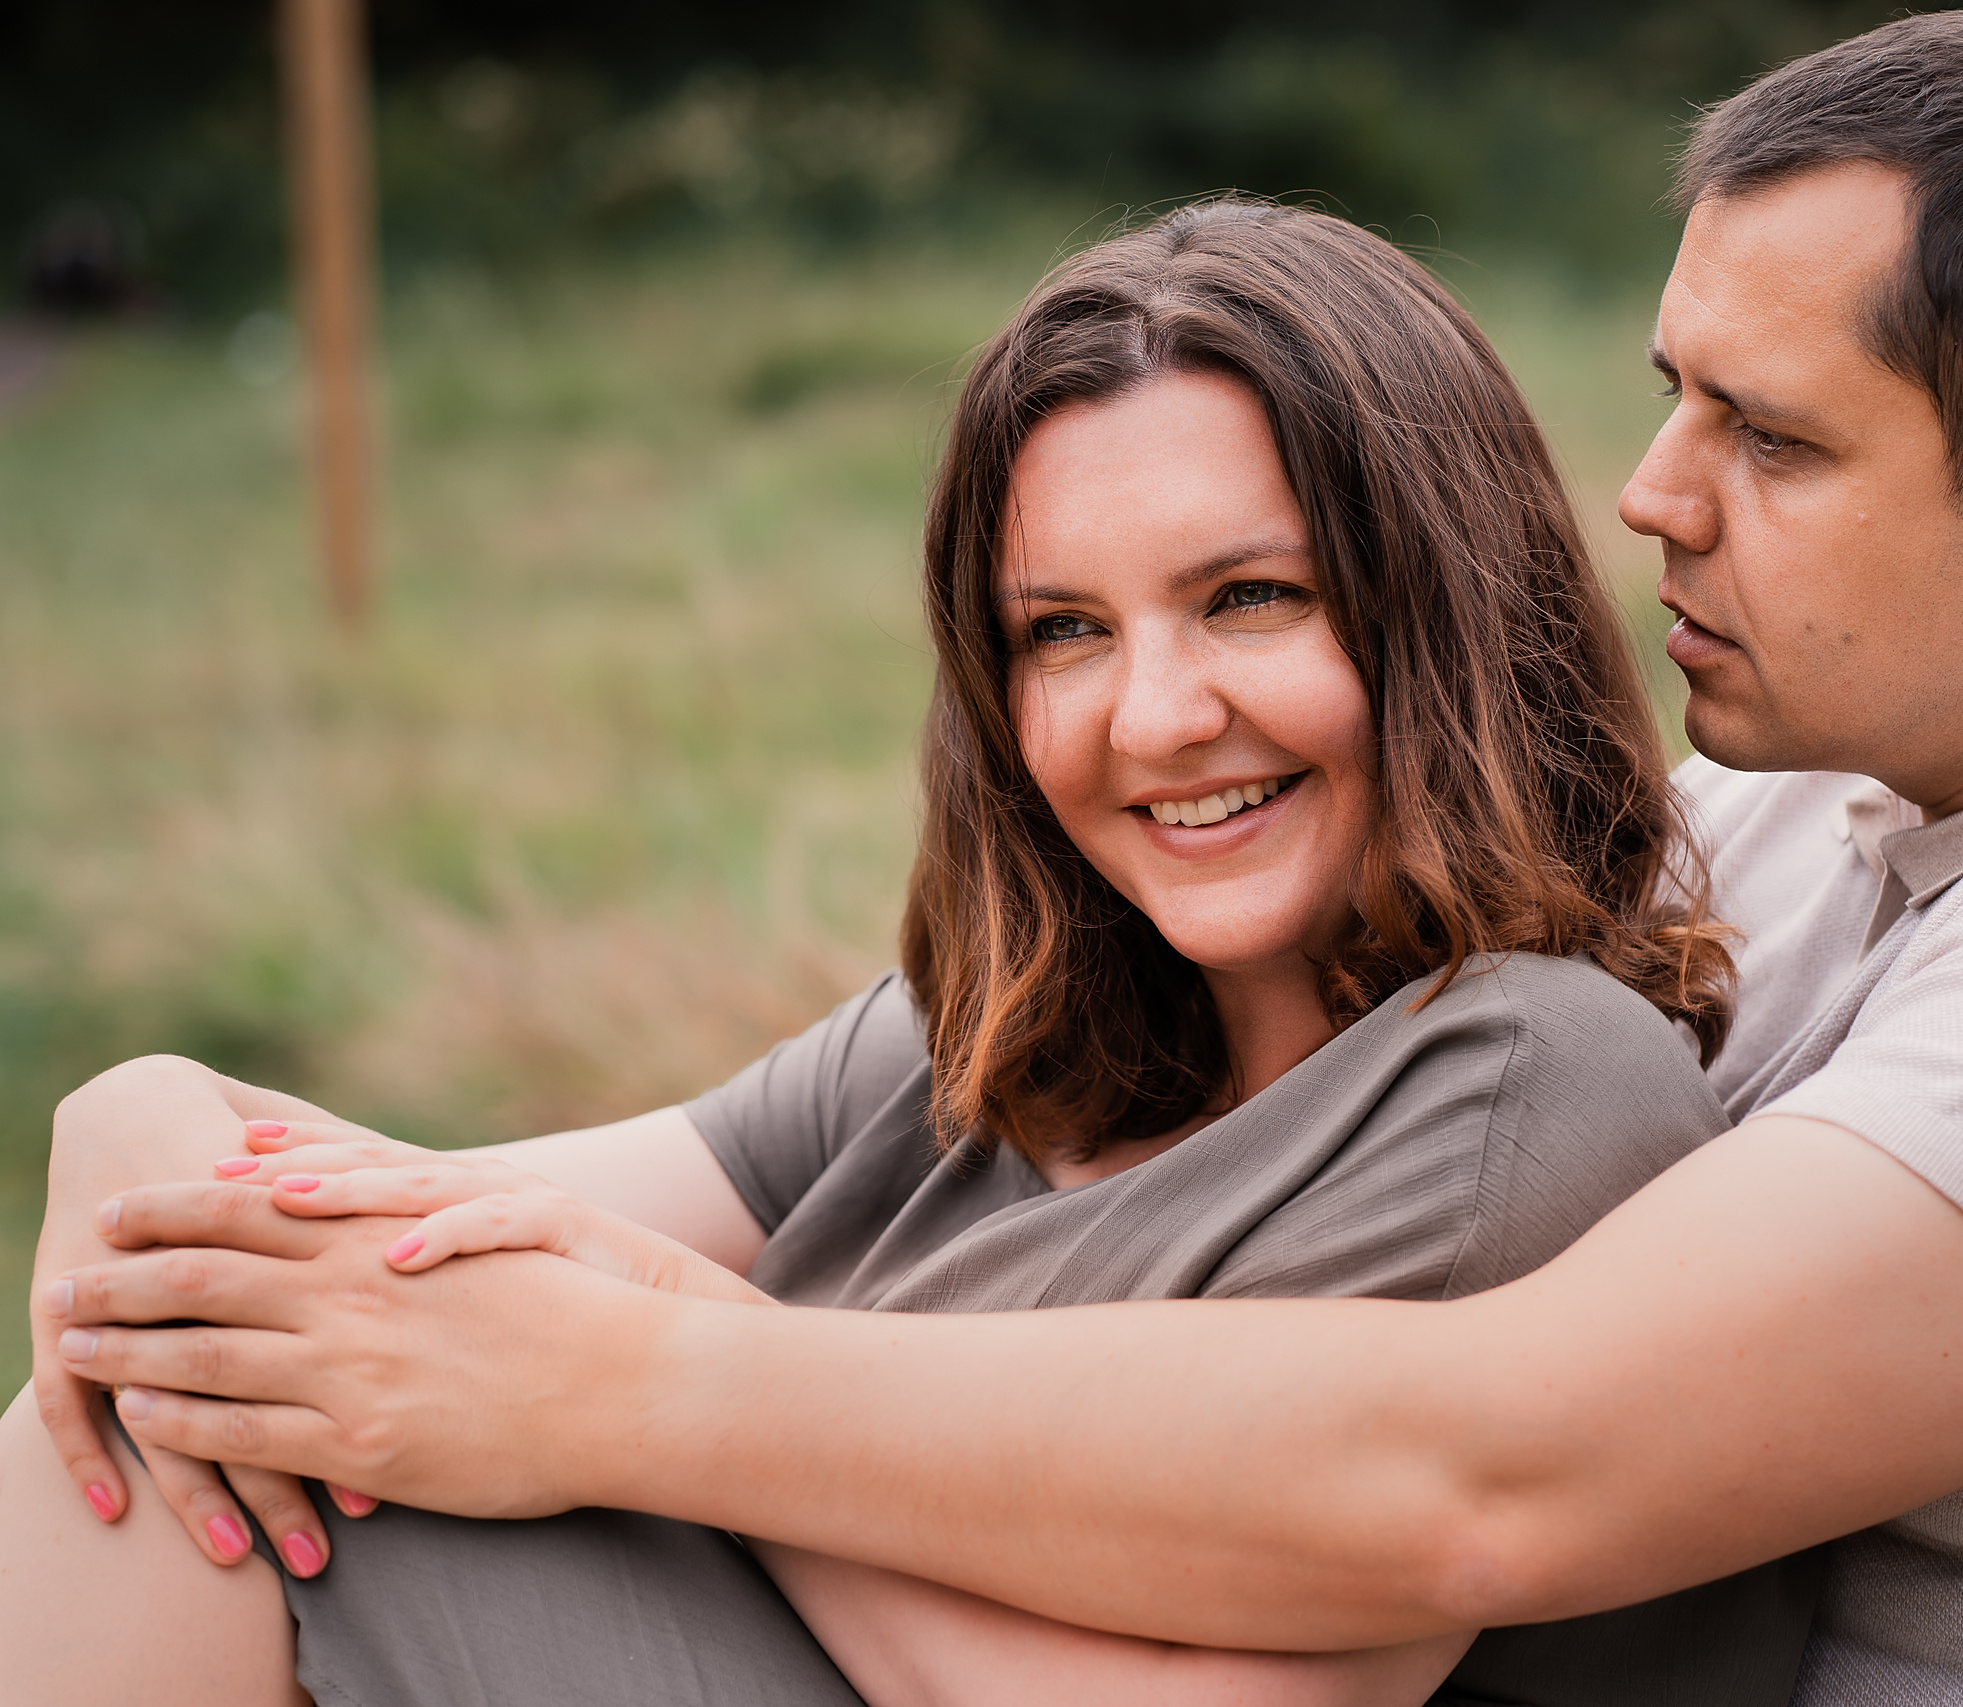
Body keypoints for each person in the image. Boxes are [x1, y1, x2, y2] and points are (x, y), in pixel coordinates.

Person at [26, 6, 1963, 1703]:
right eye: (1665, 396)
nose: (1651, 496)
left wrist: (649, 1387)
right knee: (185, 1423)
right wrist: (148, 1139)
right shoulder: (1813, 798)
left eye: (1771, 444)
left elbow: (1484, 1464)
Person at [3, 200, 1825, 1705]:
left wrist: (656, 1393)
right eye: (1062, 633)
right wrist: (148, 1125)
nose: (1157, 717)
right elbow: (409, 1233)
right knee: (207, 1377)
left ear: (1443, 606)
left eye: (1249, 598)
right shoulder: (998, 1040)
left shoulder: (1523, 1081)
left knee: (215, 1464)